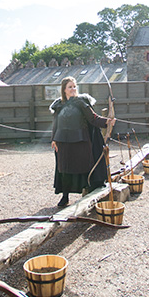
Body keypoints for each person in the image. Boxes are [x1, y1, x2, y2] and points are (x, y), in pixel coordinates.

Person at [50, 76, 115, 207]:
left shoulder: (81, 102)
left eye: (74, 86)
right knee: (64, 169)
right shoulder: (58, 105)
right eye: (70, 87)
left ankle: (86, 195)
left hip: (81, 140)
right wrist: (54, 139)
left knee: (83, 167)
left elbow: (93, 118)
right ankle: (65, 196)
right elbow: (56, 124)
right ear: (64, 90)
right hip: (62, 141)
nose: (73, 89)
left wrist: (107, 121)